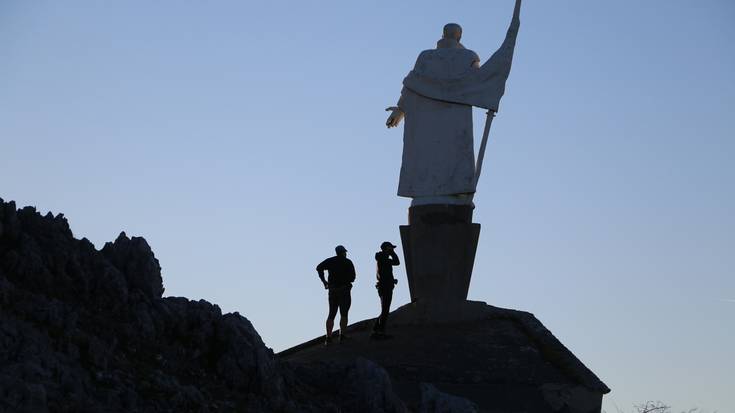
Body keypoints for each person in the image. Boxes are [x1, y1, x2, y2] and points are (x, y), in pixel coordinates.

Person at [316, 245, 356, 345]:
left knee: (331, 313)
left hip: (333, 290)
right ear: (343, 252)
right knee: (344, 313)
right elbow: (353, 277)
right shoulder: (348, 262)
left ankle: (328, 338)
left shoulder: (330, 261)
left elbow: (319, 268)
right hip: (344, 290)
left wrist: (324, 282)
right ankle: (342, 335)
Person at [371, 241, 400, 338]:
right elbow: (397, 262)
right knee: (385, 309)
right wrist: (392, 253)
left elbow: (394, 265)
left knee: (385, 309)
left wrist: (392, 280)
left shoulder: (383, 258)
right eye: (391, 248)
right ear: (387, 248)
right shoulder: (383, 258)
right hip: (385, 287)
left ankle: (377, 329)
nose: (392, 250)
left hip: (385, 285)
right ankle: (380, 332)